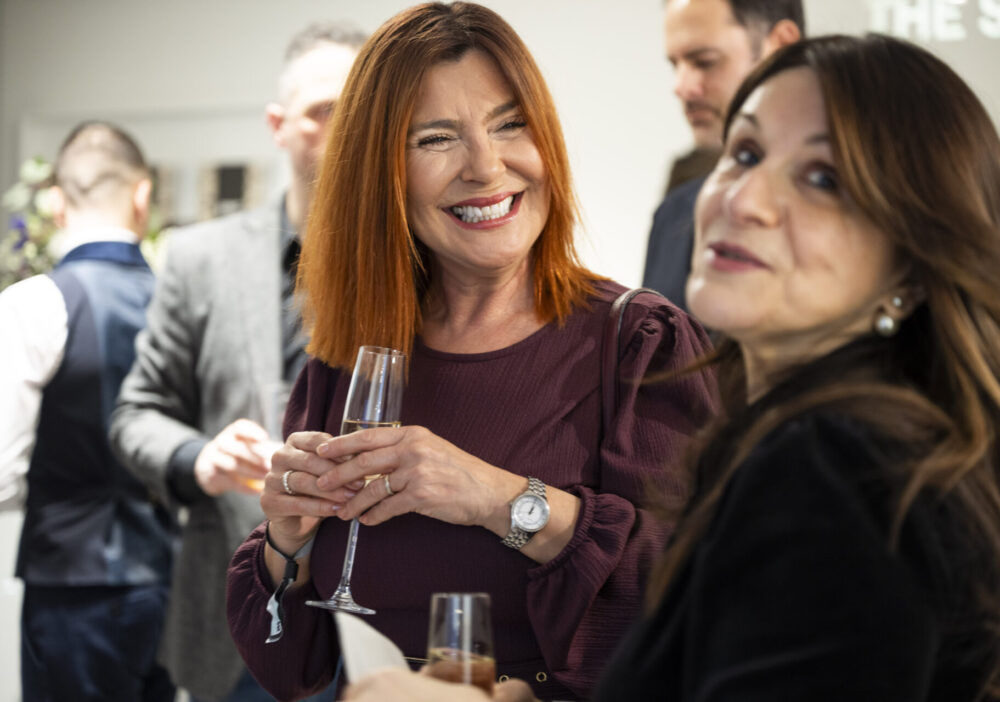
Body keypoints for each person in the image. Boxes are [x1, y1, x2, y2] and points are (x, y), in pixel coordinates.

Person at [342, 33, 1000, 702]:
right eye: (746, 153)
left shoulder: (838, 463)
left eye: (823, 179)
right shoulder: (796, 440)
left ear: (911, 266)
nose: (742, 199)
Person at [225, 3, 716, 701]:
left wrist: (494, 497)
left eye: (510, 124)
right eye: (437, 138)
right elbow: (289, 670)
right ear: (382, 171)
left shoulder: (638, 341)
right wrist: (287, 542)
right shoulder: (344, 361)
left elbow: (693, 598)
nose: (486, 166)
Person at [109, 23, 366, 702]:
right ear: (277, 125)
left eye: (360, 109)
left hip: (378, 621)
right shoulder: (200, 258)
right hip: (235, 615)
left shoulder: (422, 262)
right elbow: (136, 412)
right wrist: (199, 458)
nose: (344, 129)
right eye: (322, 111)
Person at [0, 122, 175, 701]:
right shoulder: (180, 303)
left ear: (56, 203)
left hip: (69, 583)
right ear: (142, 196)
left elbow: (1, 472)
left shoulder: (34, 303)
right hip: (171, 579)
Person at [642, 0, 802, 313]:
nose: (681, 87)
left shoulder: (854, 211)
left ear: (781, 47)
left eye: (705, 62)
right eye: (676, 66)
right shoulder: (671, 215)